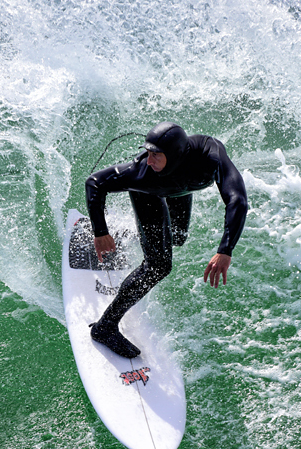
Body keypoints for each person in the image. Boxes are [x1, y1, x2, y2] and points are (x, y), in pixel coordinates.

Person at [85, 121, 248, 358]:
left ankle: (133, 236)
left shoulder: (209, 155)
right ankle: (105, 327)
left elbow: (238, 200)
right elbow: (95, 183)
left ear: (175, 155)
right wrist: (100, 231)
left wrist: (225, 250)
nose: (148, 160)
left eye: (155, 155)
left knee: (178, 237)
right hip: (149, 194)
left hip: (179, 188)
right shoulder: (141, 173)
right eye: (147, 153)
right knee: (158, 265)